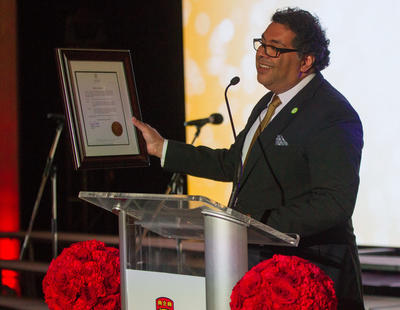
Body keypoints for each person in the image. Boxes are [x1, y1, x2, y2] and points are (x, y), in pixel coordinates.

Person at [133, 7, 364, 309]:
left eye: (275, 48)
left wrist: (258, 224)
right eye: (261, 44)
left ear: (306, 61)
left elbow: (335, 203)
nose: (262, 54)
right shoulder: (268, 103)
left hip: (308, 273)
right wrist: (162, 148)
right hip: (261, 266)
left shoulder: (332, 114)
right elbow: (233, 163)